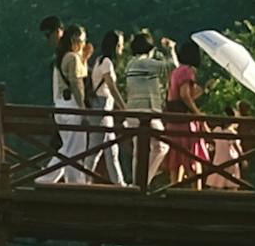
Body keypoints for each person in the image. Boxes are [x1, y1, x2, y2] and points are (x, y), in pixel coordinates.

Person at [41, 19, 94, 182]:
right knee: (74, 147)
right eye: (83, 40)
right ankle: (48, 178)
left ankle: (73, 180)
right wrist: (83, 109)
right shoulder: (72, 58)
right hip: (72, 105)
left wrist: (84, 58)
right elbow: (77, 84)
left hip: (61, 106)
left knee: (70, 146)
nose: (84, 44)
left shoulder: (62, 57)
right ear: (75, 39)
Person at [117, 27, 170, 185]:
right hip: (146, 112)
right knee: (162, 146)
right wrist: (170, 50)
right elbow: (170, 68)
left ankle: (136, 184)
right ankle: (142, 182)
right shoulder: (145, 63)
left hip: (133, 111)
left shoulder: (131, 63)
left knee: (138, 151)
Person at [161, 40, 209, 188]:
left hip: (172, 120)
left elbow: (177, 94)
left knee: (175, 161)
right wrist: (198, 114)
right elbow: (185, 95)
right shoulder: (188, 71)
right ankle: (196, 193)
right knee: (192, 160)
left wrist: (202, 91)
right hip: (184, 122)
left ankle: (173, 190)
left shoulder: (176, 71)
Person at [85, 29, 125, 182]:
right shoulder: (107, 62)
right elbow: (111, 87)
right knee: (95, 148)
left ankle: (119, 182)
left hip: (103, 107)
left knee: (111, 149)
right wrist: (124, 108)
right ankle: (84, 181)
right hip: (102, 107)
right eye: (120, 45)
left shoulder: (99, 60)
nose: (121, 48)